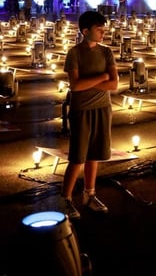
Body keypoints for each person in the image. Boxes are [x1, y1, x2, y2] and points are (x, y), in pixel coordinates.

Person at [60, 11, 119, 219]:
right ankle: (65, 199)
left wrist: (93, 81)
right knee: (77, 156)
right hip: (81, 110)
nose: (103, 32)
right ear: (85, 31)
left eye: (104, 28)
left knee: (94, 154)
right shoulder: (74, 53)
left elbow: (114, 84)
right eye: (99, 29)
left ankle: (89, 194)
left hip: (102, 109)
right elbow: (75, 86)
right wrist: (102, 76)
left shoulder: (106, 52)